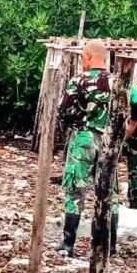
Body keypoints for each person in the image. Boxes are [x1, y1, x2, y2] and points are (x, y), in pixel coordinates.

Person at [55, 39, 118, 257]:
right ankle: (109, 246)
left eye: (82, 56)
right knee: (109, 192)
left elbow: (63, 110)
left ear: (89, 55)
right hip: (109, 141)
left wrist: (78, 120)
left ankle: (68, 244)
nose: (82, 60)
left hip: (84, 138)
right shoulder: (117, 82)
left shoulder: (79, 80)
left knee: (75, 190)